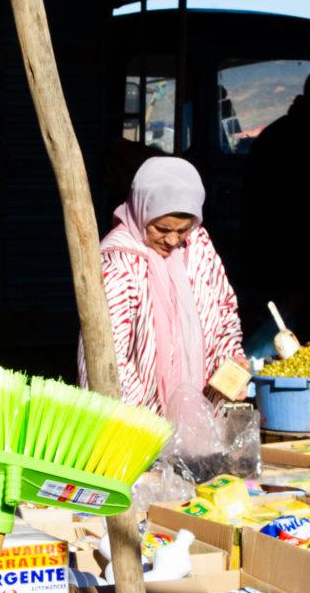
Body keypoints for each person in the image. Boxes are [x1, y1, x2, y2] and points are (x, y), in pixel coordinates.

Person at [77, 157, 247, 415]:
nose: (172, 239)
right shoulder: (119, 260)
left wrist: (230, 361)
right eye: (162, 228)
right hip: (140, 423)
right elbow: (107, 354)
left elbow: (223, 307)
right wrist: (140, 423)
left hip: (201, 415)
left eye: (183, 229)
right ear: (141, 210)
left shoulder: (198, 245)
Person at [242, 63, 310, 341]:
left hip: (296, 274)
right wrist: (295, 286)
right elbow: (287, 220)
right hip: (292, 277)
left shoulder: (297, 135)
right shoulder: (300, 143)